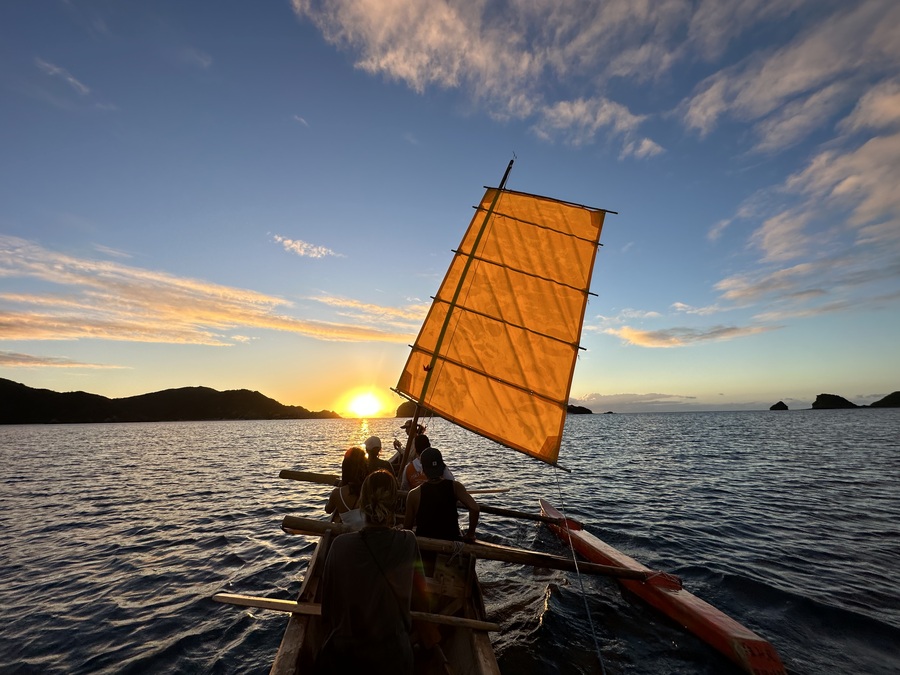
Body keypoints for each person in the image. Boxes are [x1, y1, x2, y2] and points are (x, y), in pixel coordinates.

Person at [316, 470, 424, 674]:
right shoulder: (408, 541)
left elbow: (327, 609)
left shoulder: (340, 546)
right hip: (394, 658)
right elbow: (421, 600)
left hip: (347, 658)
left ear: (362, 502)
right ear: (395, 503)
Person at [404, 447, 479, 542]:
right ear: (443, 467)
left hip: (425, 546)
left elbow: (407, 528)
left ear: (423, 469)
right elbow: (475, 508)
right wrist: (470, 534)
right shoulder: (455, 487)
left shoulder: (414, 494)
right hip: (452, 544)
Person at [324, 447, 367, 529]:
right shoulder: (371, 488)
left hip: (349, 535)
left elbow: (328, 510)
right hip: (372, 533)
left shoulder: (337, 493)